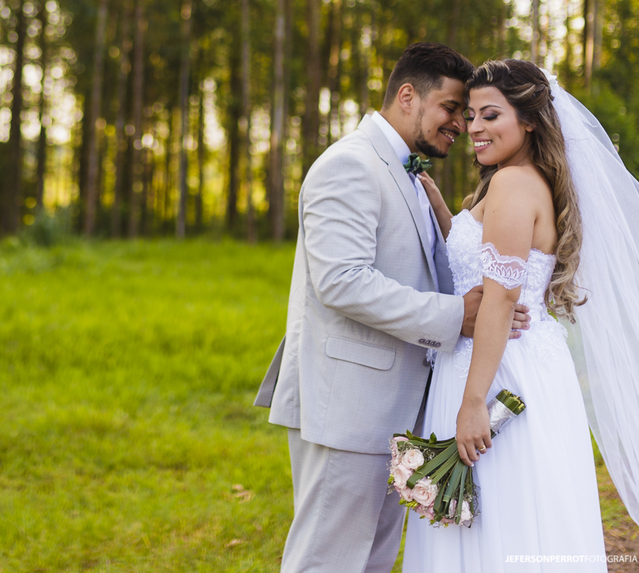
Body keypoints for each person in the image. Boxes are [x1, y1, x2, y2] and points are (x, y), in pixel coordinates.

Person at [253, 42, 531, 573]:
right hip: (349, 403)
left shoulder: (406, 170)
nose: (461, 123)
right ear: (408, 95)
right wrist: (458, 317)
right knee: (328, 559)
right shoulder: (349, 165)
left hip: (395, 406)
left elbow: (419, 268)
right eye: (452, 108)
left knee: (374, 558)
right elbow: (343, 281)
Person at [404, 60, 608, 570]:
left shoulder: (515, 185)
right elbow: (484, 257)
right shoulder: (512, 181)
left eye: (490, 115)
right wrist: (443, 212)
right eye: (470, 116)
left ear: (530, 120)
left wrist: (474, 403)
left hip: (498, 377)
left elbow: (497, 297)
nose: (474, 128)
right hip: (508, 361)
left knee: (498, 521)